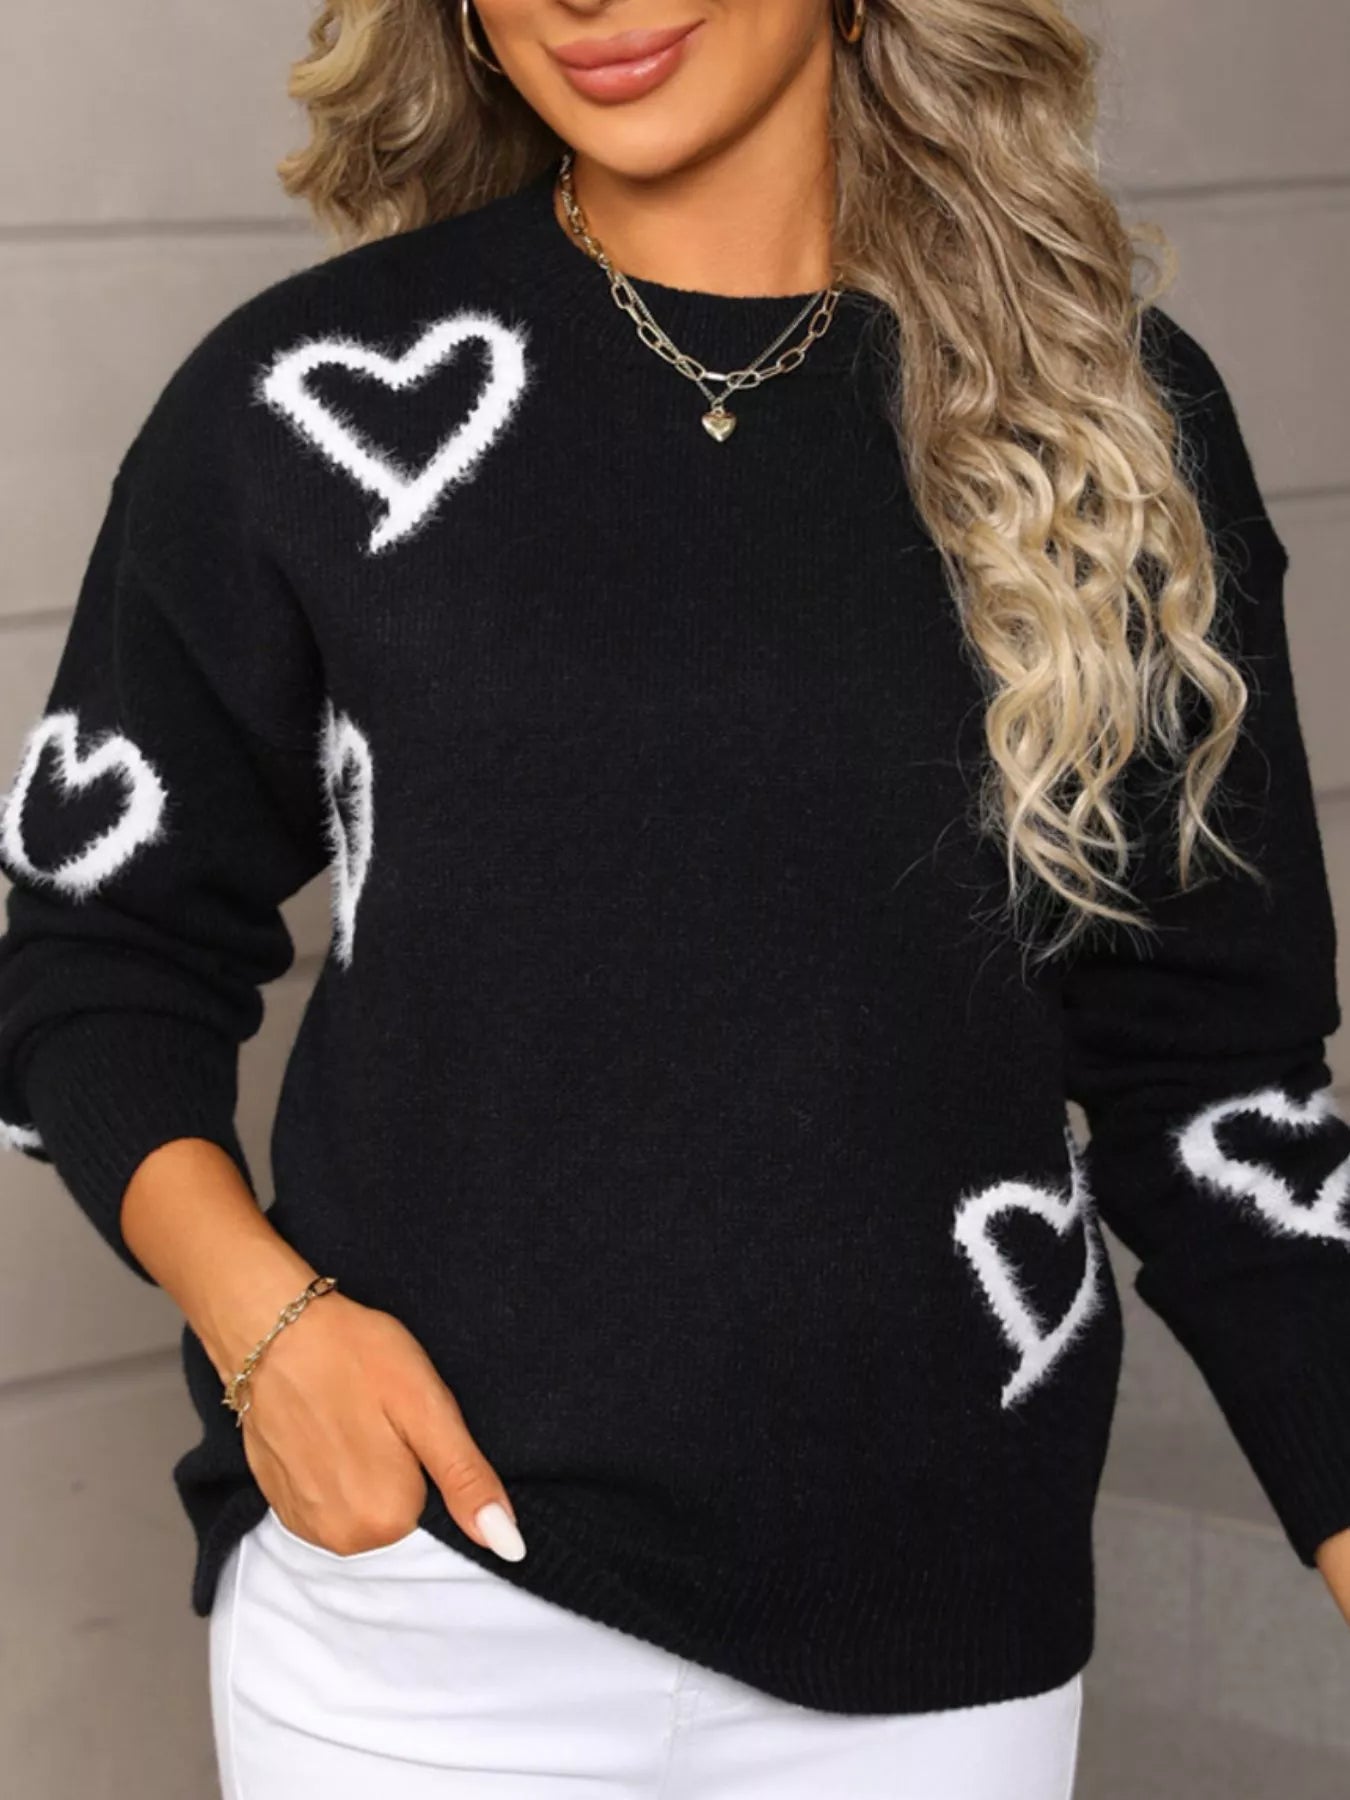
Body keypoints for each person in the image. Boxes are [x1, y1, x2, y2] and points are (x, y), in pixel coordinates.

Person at [2, 0, 1348, 1794]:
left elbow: (1216, 1084)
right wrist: (269, 1331)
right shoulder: (314, 395)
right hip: (424, 1617)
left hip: (941, 1641)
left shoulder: (1102, 422)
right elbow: (94, 947)